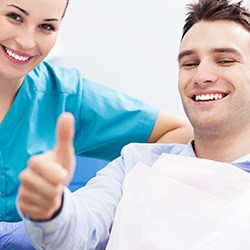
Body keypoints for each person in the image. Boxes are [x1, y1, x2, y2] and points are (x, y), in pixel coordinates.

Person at [20, 0, 250, 248]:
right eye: (190, 63)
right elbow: (79, 230)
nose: (201, 76)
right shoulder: (136, 163)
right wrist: (52, 208)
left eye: (225, 60)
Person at [0, 0, 193, 248]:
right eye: (14, 17)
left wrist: (95, 203)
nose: (27, 42)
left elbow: (178, 132)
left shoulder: (65, 95)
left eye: (47, 26)